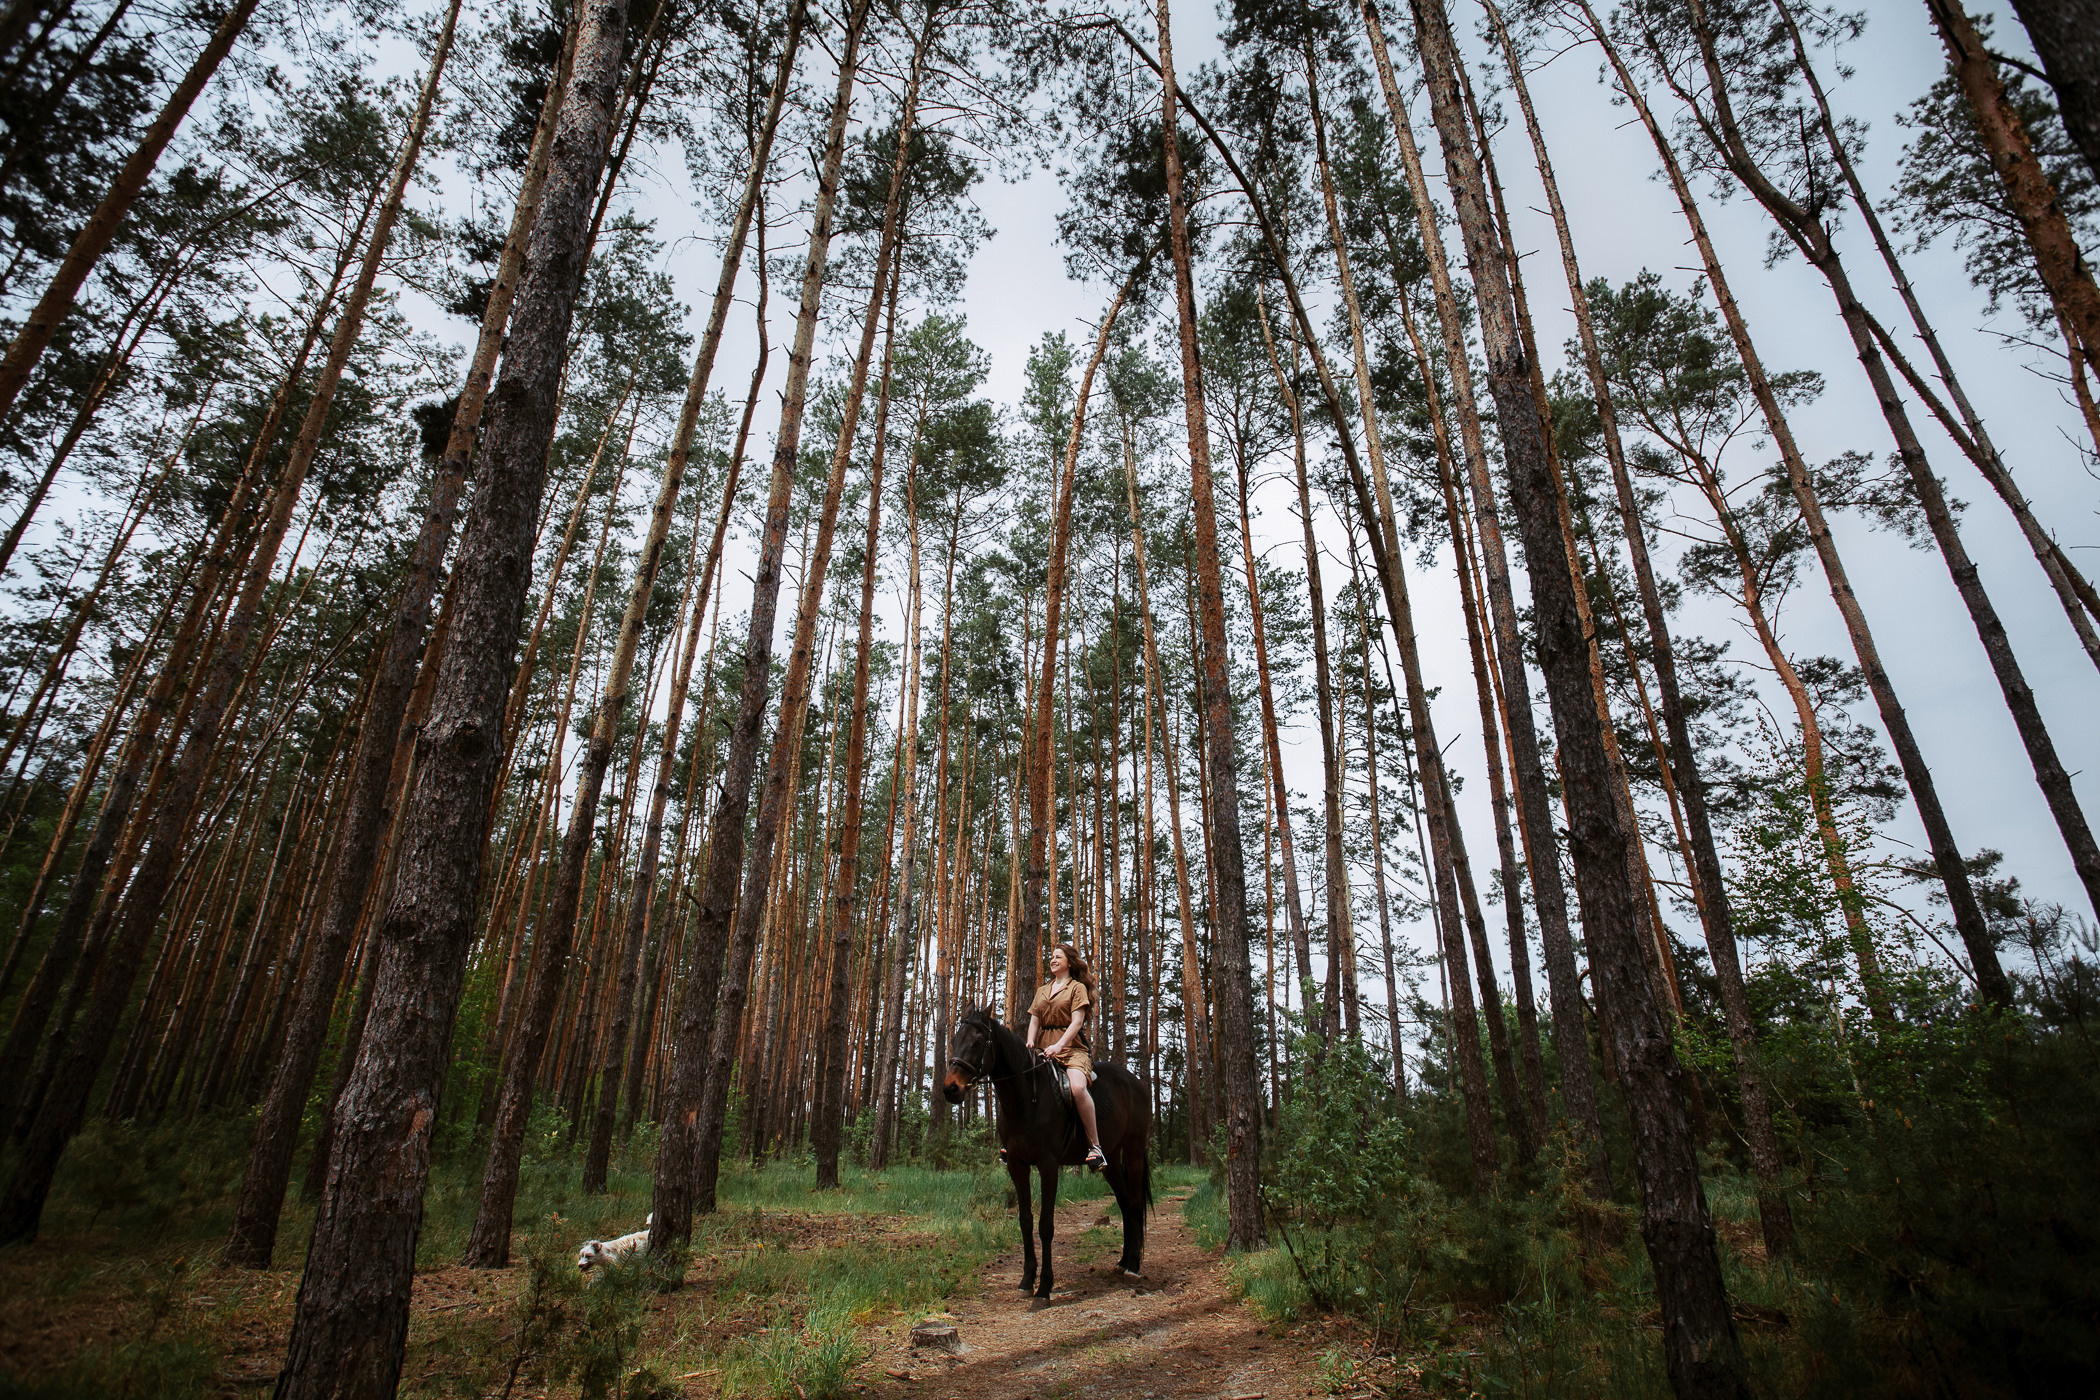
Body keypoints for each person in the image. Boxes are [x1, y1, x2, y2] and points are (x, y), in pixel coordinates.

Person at [1025, 942, 1106, 1170]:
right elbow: (1035, 1020)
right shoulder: (1042, 990)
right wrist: (1031, 1041)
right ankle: (1016, 1142)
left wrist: (1059, 1046)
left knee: (1078, 1089)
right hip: (1042, 1049)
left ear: (1068, 962)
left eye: (1058, 956)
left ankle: (1095, 1147)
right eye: (1051, 956)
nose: (1053, 959)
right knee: (1022, 1085)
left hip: (1071, 1050)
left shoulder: (1077, 988)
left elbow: (1077, 1022)